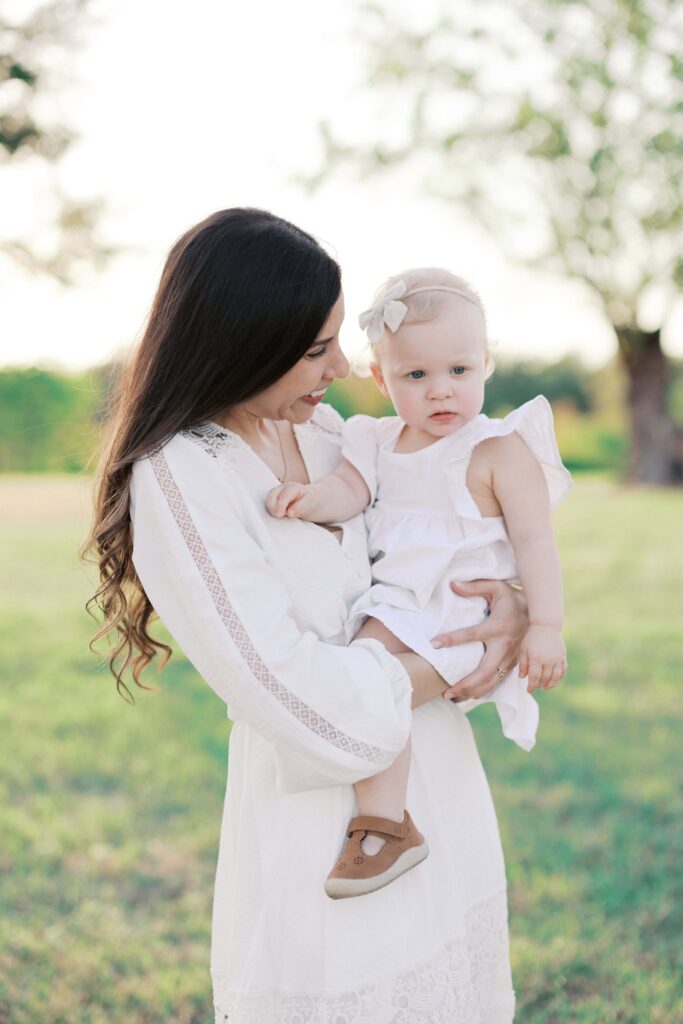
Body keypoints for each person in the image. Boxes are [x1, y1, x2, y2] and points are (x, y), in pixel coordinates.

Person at [85, 209, 536, 1024]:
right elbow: (282, 685)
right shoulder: (182, 477)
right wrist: (455, 662)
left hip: (435, 770)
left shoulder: (335, 434)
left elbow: (434, 553)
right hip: (322, 809)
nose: (340, 367)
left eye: (334, 340)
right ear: (239, 343)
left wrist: (505, 604)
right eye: (311, 350)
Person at [267, 267, 572, 900]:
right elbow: (350, 492)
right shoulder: (376, 441)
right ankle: (386, 821)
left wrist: (544, 626)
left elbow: (536, 542)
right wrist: (312, 498)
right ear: (381, 379)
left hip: (458, 607)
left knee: (369, 677)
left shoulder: (496, 449)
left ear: (485, 364)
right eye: (416, 376)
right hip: (400, 601)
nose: (441, 392)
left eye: (459, 371)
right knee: (369, 676)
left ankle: (380, 824)